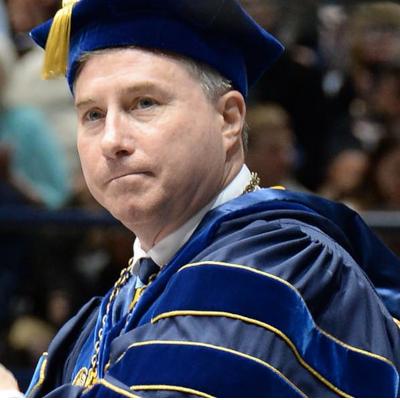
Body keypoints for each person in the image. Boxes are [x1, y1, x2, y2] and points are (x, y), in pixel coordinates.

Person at [2, 0, 400, 397]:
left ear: (228, 119)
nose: (111, 141)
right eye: (92, 115)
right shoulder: (107, 309)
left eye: (144, 103)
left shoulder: (277, 267)